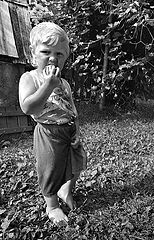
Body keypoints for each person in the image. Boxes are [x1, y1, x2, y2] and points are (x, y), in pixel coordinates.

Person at [19, 22, 87, 227]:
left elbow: (71, 106)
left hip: (69, 129)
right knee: (50, 169)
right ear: (33, 53)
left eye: (59, 54)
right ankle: (52, 205)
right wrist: (48, 85)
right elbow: (27, 107)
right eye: (46, 51)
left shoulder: (64, 82)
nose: (52, 58)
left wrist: (77, 128)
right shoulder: (30, 78)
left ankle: (65, 189)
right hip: (48, 133)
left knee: (79, 161)